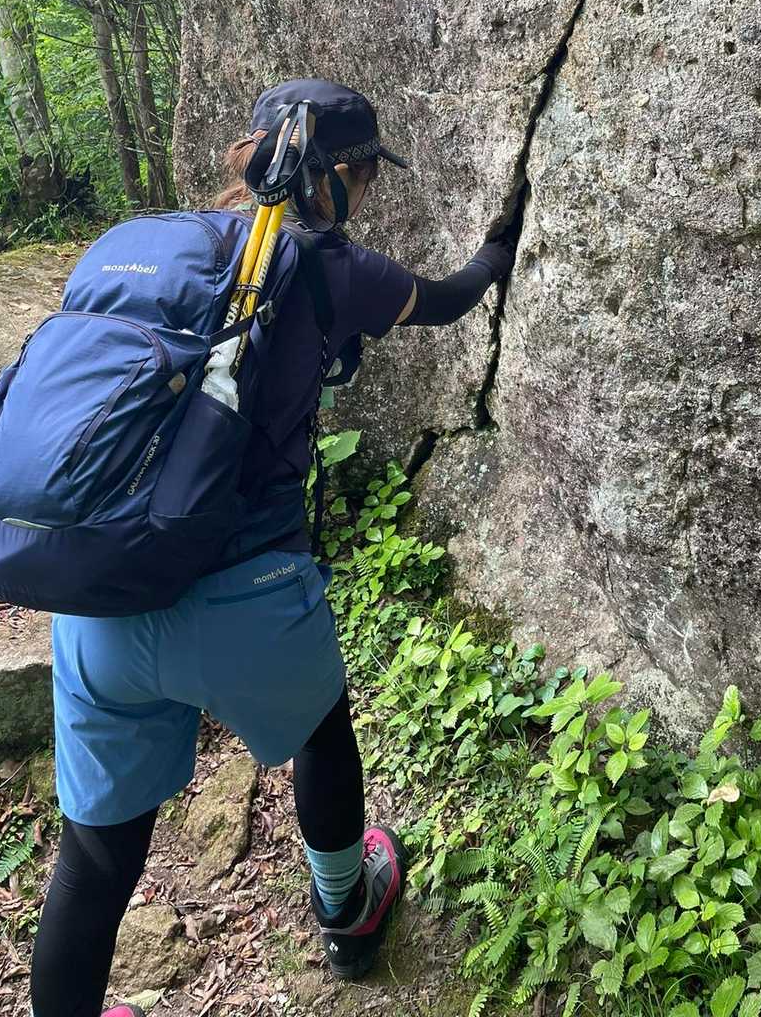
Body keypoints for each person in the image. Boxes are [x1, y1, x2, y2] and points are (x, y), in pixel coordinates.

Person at [30, 79, 517, 1017]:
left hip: (100, 593)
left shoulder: (156, 247)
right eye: (367, 177)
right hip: (244, 594)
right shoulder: (331, 268)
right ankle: (348, 910)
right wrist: (498, 249)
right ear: (340, 176)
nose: (367, 194)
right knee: (323, 733)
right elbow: (450, 299)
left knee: (93, 856)